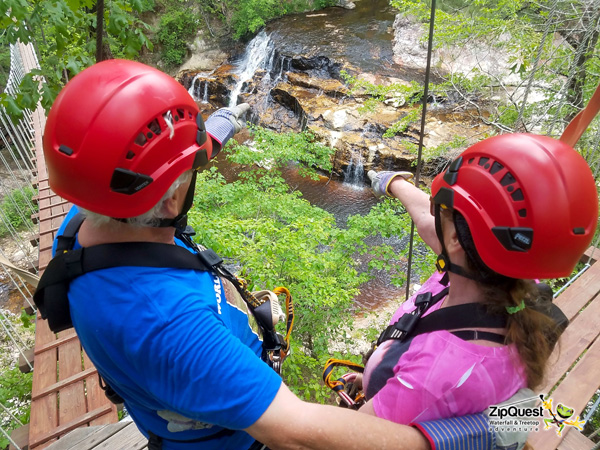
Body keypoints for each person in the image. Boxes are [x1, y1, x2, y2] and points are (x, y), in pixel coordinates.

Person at [35, 59, 533, 450]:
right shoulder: (174, 326)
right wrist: (474, 433)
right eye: (193, 173)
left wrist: (214, 136)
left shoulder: (88, 218)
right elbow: (298, 432)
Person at [360, 134, 597, 426]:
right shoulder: (513, 278)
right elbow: (430, 218)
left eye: (443, 212)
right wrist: (395, 183)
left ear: (456, 238)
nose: (434, 214)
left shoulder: (434, 379)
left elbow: (338, 438)